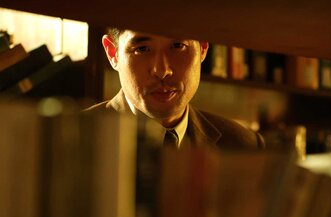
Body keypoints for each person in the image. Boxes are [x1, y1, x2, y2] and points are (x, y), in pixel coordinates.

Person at [86, 28, 264, 149]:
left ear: (203, 48)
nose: (163, 71)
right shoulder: (72, 139)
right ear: (113, 53)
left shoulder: (244, 146)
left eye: (178, 46)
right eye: (142, 49)